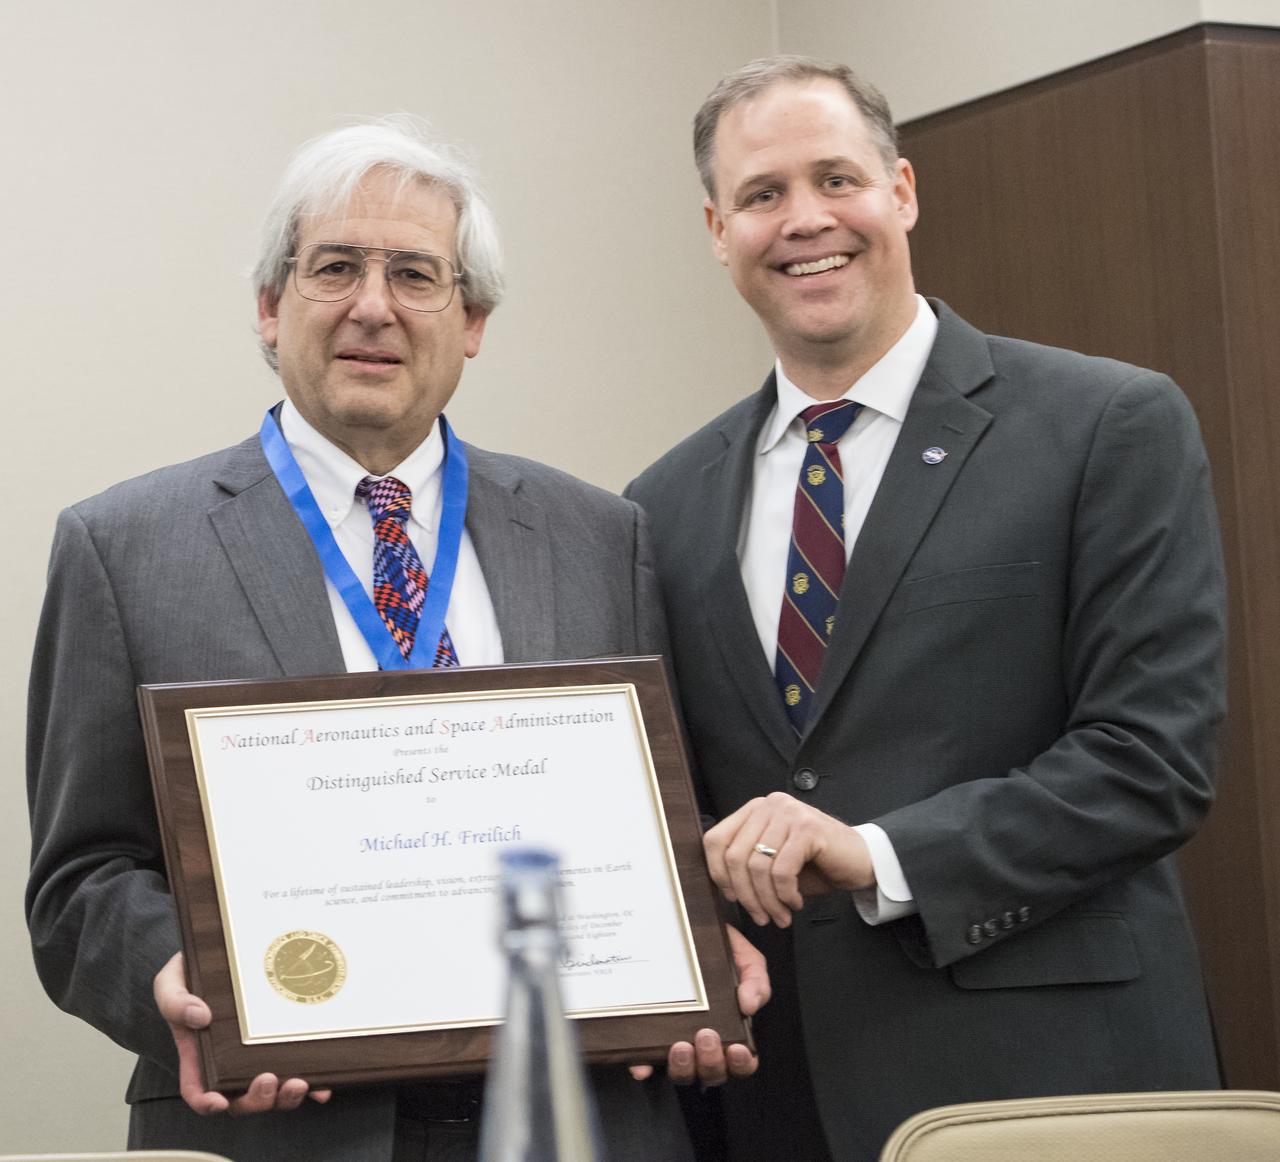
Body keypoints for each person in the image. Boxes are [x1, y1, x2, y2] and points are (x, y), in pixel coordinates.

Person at [26, 115, 763, 1161]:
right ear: (271, 306)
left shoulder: (602, 536)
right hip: (279, 1126)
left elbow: (655, 818)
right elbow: (79, 880)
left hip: (580, 1115)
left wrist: (687, 943)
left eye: (416, 274)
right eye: (335, 267)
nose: (373, 305)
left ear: (471, 320)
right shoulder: (123, 546)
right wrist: (173, 978)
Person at [626, 56, 1226, 1161]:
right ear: (718, 230)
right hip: (779, 1096)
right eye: (761, 195)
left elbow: (1149, 760)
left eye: (835, 179)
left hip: (1053, 1085)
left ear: (900, 190)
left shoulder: (1106, 426)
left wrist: (874, 851)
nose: (803, 220)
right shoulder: (657, 506)